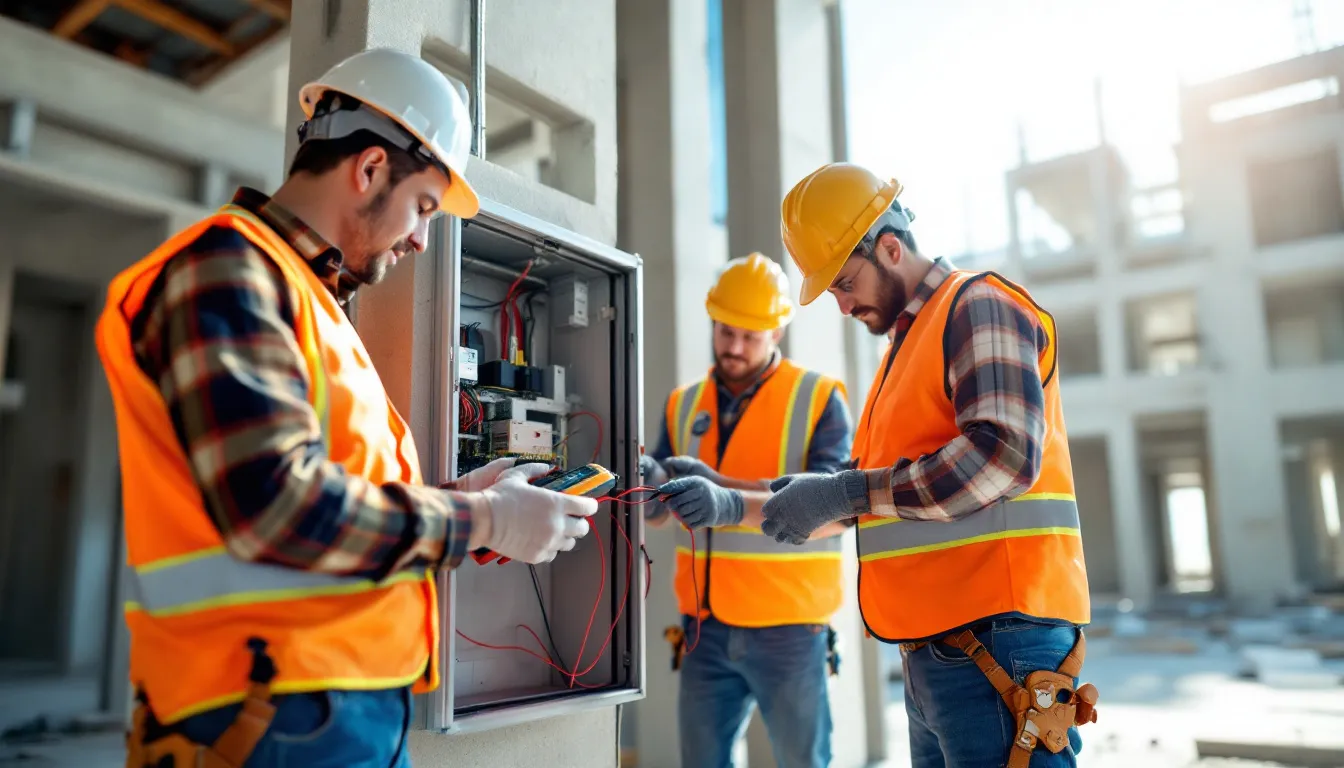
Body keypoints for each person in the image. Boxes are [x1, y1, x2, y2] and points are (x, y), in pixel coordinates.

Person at [97, 49, 596, 768]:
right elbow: (275, 506)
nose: (425, 238)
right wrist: (483, 520)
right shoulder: (227, 272)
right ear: (367, 170)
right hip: (265, 714)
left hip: (334, 707)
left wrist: (463, 505)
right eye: (423, 206)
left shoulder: (308, 301)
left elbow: (330, 491)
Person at [755, 162, 1095, 767]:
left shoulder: (977, 306)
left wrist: (845, 493)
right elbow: (878, 499)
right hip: (943, 652)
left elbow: (1003, 458)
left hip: (1002, 642)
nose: (840, 305)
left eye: (844, 282)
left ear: (890, 248)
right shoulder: (904, 354)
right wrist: (749, 499)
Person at [640, 253, 854, 768]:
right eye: (725, 331)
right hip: (704, 627)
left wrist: (723, 493)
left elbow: (836, 503)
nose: (734, 347)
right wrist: (649, 491)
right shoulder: (682, 403)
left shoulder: (820, 398)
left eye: (750, 336)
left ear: (777, 331)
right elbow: (660, 513)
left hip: (791, 628)